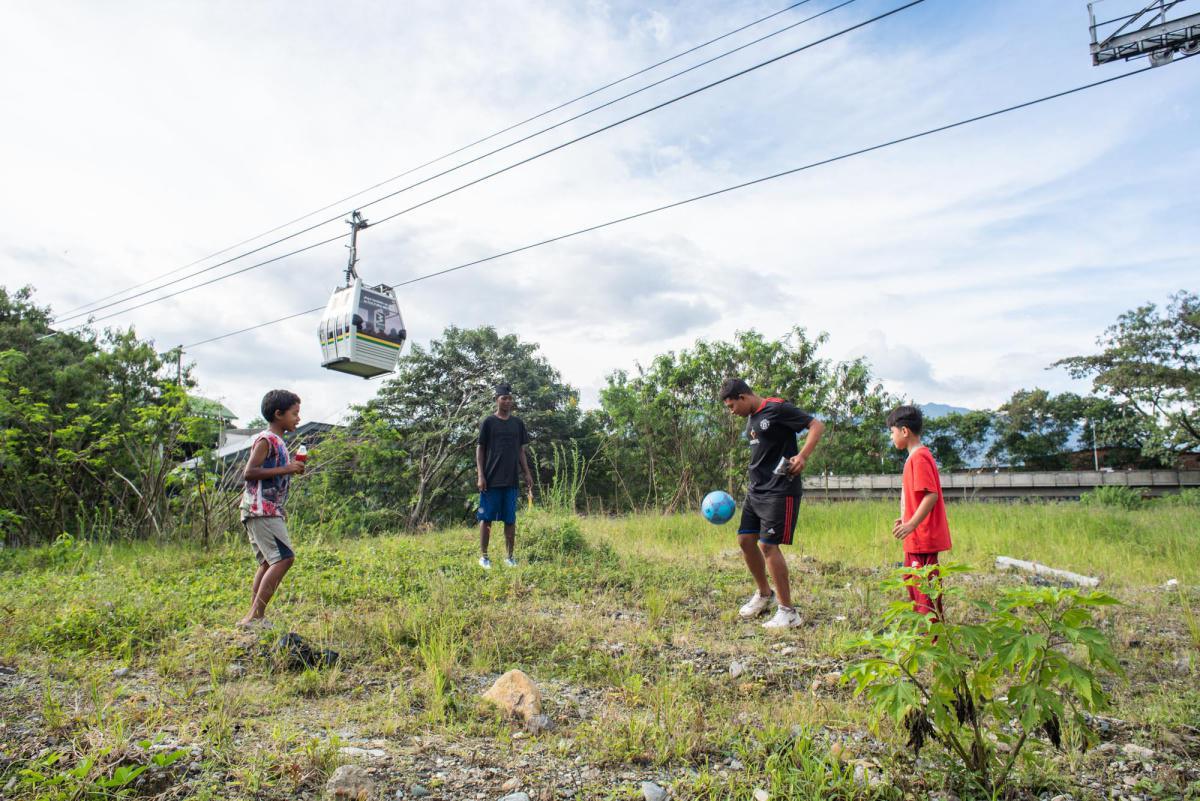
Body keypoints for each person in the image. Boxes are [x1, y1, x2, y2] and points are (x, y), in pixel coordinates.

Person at [719, 377, 825, 629]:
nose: (732, 412)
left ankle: (788, 612)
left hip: (780, 490)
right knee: (745, 540)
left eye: (732, 406)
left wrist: (802, 455)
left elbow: (816, 425)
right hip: (756, 490)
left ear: (743, 397)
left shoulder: (777, 408)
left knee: (768, 546)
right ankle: (764, 594)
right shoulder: (751, 418)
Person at [237, 389, 305, 629]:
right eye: (294, 413)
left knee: (267, 562)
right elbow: (250, 472)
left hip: (264, 509)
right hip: (261, 510)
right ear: (278, 414)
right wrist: (287, 468)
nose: (298, 418)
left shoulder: (278, 441)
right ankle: (255, 617)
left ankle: (253, 617)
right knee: (284, 559)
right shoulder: (267, 439)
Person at [887, 405, 952, 620]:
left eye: (892, 432)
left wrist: (912, 523)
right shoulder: (915, 457)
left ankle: (932, 641)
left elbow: (930, 495)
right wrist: (906, 518)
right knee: (914, 586)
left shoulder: (919, 457)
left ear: (904, 431)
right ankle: (924, 637)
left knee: (926, 595)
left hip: (921, 538)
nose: (891, 437)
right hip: (914, 538)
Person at [476, 384, 534, 569]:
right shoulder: (488, 422)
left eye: (509, 398)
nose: (507, 401)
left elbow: (520, 451)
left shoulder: (517, 423)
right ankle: (484, 557)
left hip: (511, 481)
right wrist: (481, 475)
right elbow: (480, 448)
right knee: (487, 519)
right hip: (491, 480)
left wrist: (527, 472)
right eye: (504, 398)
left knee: (510, 520)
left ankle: (510, 557)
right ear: (497, 399)